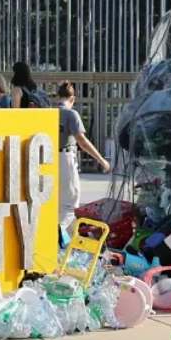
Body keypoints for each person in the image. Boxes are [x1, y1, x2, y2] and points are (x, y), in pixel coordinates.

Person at [56, 81, 111, 232]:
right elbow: (82, 142)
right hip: (65, 158)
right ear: (73, 99)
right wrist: (101, 160)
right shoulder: (71, 114)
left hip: (48, 159)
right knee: (69, 205)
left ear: (58, 97)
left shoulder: (49, 112)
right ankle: (58, 239)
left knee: (55, 204)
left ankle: (63, 241)